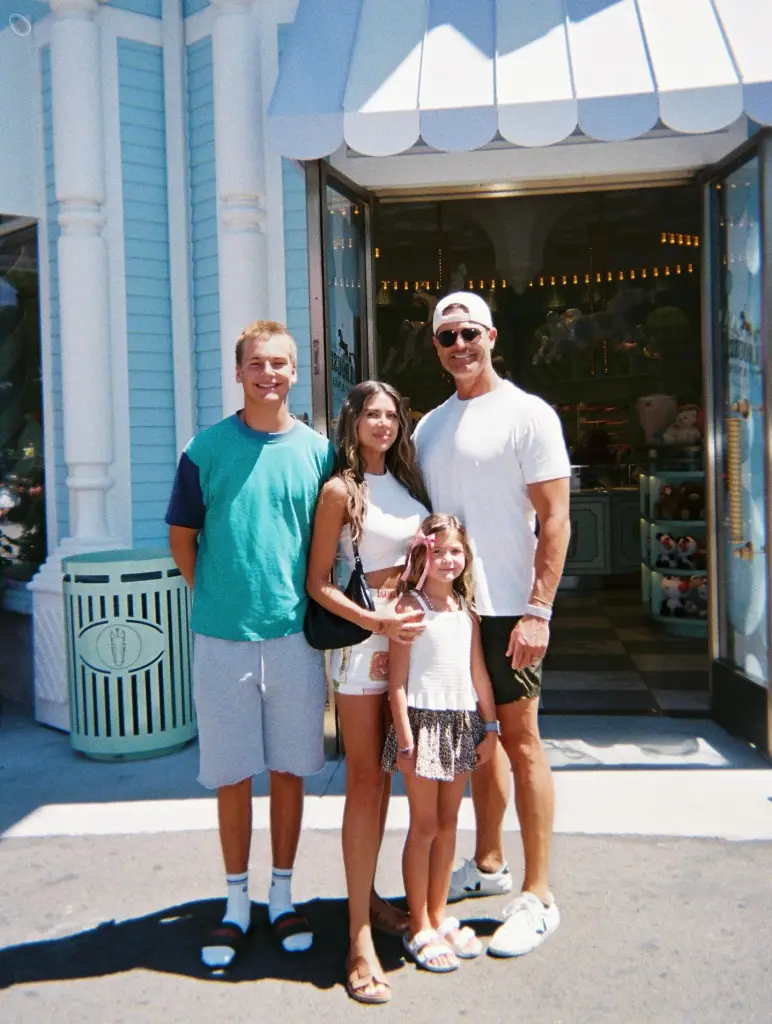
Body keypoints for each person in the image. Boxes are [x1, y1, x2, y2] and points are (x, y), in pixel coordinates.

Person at [165, 320, 335, 968]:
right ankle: (236, 902)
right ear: (239, 373)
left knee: (291, 770)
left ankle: (283, 894)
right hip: (223, 638)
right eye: (257, 364)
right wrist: (215, 593)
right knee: (233, 775)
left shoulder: (319, 454)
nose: (269, 375)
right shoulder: (204, 449)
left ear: (296, 373)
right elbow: (184, 536)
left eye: (281, 364)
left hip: (294, 636)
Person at [413, 292, 571, 959]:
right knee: (479, 744)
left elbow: (556, 518)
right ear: (437, 345)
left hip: (509, 608)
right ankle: (487, 866)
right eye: (446, 335)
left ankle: (537, 896)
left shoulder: (528, 414)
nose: (458, 345)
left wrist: (539, 609)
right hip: (452, 613)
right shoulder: (426, 428)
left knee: (522, 739)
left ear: (492, 336)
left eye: (468, 332)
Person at [307, 380, 430, 1005]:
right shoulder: (340, 490)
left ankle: (374, 897)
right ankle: (357, 937)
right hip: (364, 645)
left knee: (395, 776)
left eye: (392, 414)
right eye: (372, 415)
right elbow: (318, 583)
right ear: (352, 422)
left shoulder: (408, 485)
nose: (383, 424)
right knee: (365, 779)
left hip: (413, 641)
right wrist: (378, 623)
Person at [382, 514, 498, 972]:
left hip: (461, 723)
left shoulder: (465, 612)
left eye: (456, 551)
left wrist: (489, 727)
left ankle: (438, 913)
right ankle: (419, 925)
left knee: (450, 823)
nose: (449, 560)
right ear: (420, 555)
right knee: (424, 825)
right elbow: (397, 684)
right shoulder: (410, 608)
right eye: (439, 551)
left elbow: (477, 673)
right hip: (422, 727)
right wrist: (407, 740)